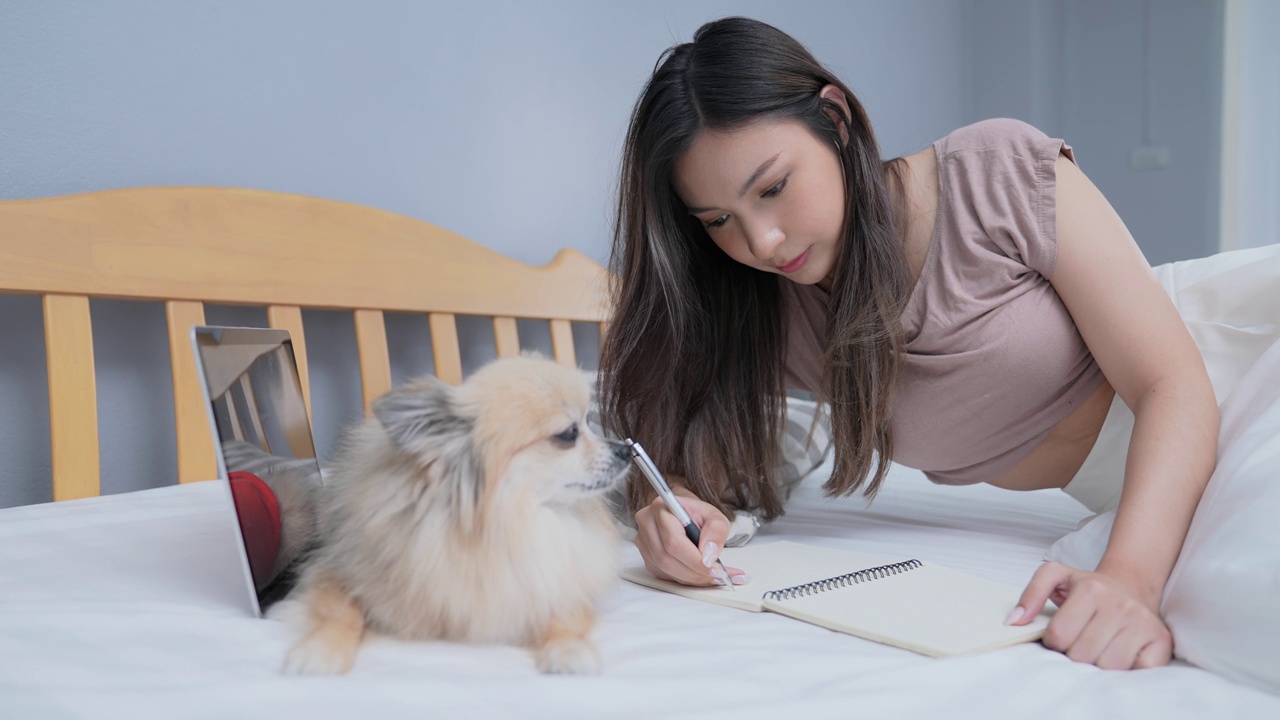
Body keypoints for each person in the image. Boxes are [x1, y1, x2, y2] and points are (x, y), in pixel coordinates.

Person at [598, 16, 1280, 672]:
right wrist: (672, 507)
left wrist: (1129, 576)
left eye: (774, 188)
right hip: (1151, 481)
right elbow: (686, 446)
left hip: (1232, 386)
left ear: (834, 120)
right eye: (718, 219)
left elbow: (1174, 383)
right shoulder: (767, 308)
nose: (761, 242)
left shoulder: (993, 174)